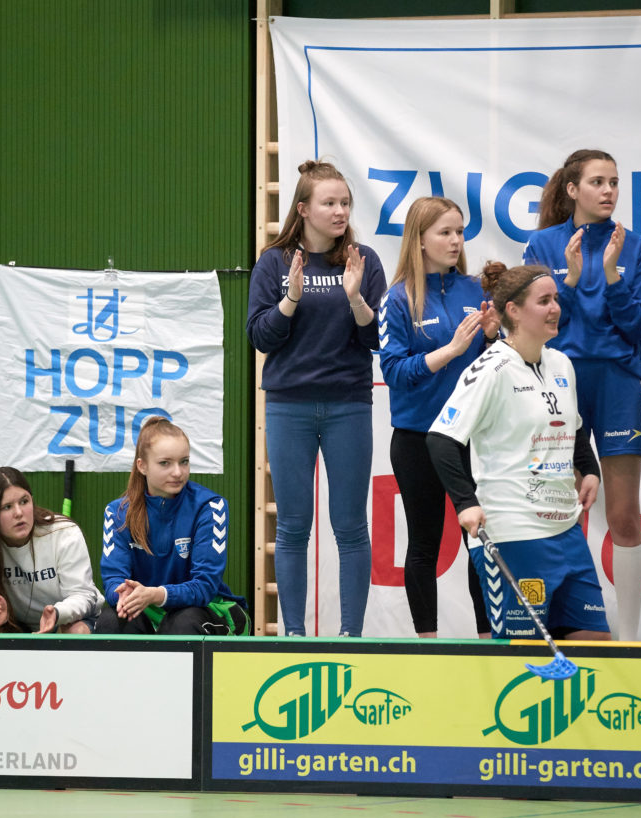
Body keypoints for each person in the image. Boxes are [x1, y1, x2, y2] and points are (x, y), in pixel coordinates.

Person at [427, 262, 610, 642]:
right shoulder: (491, 369)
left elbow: (571, 425)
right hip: (512, 534)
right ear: (513, 310)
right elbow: (441, 439)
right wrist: (465, 503)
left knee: (594, 648)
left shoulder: (561, 363)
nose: (555, 308)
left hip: (566, 530)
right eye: (544, 301)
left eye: (556, 299)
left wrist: (588, 468)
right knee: (523, 664)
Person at [246, 159, 387, 637]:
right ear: (303, 209)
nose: (340, 211)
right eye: (329, 203)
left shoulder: (362, 260)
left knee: (350, 527)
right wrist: (289, 299)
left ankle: (351, 634)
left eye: (345, 202)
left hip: (349, 403)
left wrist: (355, 297)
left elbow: (377, 340)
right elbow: (261, 338)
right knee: (292, 527)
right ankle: (293, 634)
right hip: (289, 406)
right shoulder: (275, 261)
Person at [524, 148, 641, 641]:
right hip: (560, 382)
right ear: (572, 189)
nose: (608, 191)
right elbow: (537, 328)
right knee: (557, 507)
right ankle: (561, 629)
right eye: (598, 182)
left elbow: (638, 326)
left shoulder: (635, 245)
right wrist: (575, 282)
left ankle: (629, 638)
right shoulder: (542, 244)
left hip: (618, 384)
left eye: (614, 182)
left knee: (623, 513)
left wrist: (614, 275)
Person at [378, 197, 495, 639]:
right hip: (419, 438)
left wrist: (489, 338)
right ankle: (427, 643)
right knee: (424, 544)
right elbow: (393, 371)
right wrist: (449, 351)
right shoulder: (398, 298)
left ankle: (488, 639)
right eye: (445, 232)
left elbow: (491, 364)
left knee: (480, 542)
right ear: (420, 239)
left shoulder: (472, 289)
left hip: (470, 437)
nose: (455, 240)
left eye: (459, 232)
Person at [97, 417, 249, 635]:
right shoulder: (117, 513)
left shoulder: (210, 506)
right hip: (147, 608)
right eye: (165, 463)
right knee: (112, 621)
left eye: (184, 461)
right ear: (142, 466)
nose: (178, 472)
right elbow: (113, 579)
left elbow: (204, 587)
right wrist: (122, 595)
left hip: (208, 608)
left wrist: (156, 594)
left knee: (182, 623)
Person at [0, 467, 101, 633]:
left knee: (75, 632)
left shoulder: (63, 532)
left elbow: (83, 595)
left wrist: (57, 613)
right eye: (7, 507)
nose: (19, 513)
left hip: (65, 620)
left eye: (24, 502)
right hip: (14, 623)